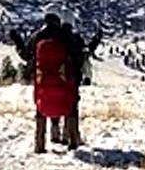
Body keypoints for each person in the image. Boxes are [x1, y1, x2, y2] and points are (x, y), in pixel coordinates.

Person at [9, 11, 95, 154]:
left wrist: (17, 40)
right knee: (71, 107)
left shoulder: (38, 36)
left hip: (42, 84)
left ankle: (40, 145)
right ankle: (73, 142)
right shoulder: (65, 36)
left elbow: (25, 55)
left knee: (41, 109)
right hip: (64, 83)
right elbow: (79, 57)